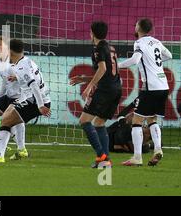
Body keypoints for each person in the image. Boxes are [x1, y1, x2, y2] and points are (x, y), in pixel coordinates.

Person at [0, 39, 51, 163]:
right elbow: (27, 77)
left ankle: (1, 155)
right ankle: (9, 153)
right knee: (3, 119)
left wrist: (41, 105)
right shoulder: (24, 61)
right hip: (31, 98)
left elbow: (33, 84)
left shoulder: (19, 66)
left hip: (34, 100)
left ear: (9, 50)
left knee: (6, 119)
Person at [119, 18, 172, 167]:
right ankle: (158, 149)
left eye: (136, 24)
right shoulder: (156, 42)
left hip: (151, 87)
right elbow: (169, 55)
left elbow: (135, 60)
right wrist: (154, 64)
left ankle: (137, 157)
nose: (134, 26)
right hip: (163, 85)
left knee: (136, 121)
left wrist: (118, 65)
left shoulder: (139, 43)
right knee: (152, 119)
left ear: (139, 28)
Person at [70, 21, 122, 168]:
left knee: (84, 121)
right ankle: (106, 161)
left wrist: (89, 86)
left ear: (92, 32)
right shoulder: (110, 48)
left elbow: (102, 69)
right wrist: (84, 79)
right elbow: (108, 73)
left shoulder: (98, 48)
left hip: (104, 91)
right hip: (116, 89)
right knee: (99, 123)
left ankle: (101, 154)